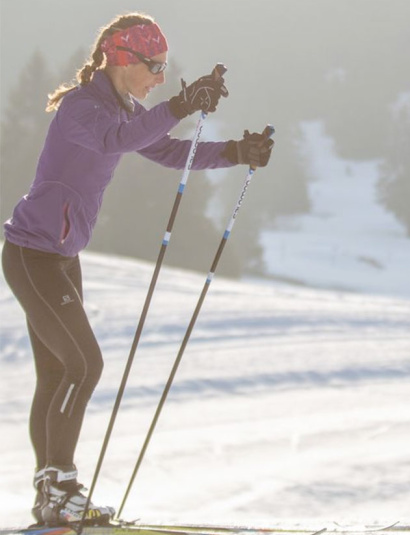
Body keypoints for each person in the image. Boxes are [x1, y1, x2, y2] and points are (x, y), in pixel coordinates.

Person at [2, 13, 274, 527]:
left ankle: (51, 493)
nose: (160, 78)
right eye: (155, 67)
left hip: (58, 256)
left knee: (59, 372)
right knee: (84, 366)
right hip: (32, 255)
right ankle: (59, 486)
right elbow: (113, 141)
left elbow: (167, 150)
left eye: (165, 70)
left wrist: (236, 152)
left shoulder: (122, 108)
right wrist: (178, 105)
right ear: (121, 57)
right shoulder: (84, 108)